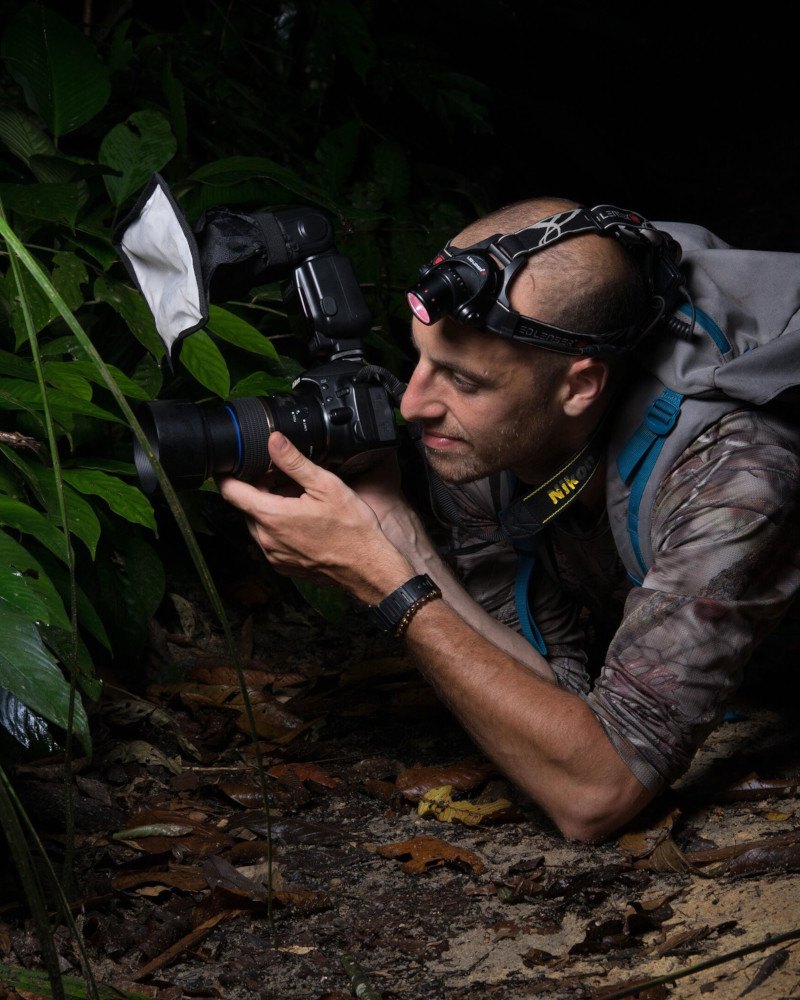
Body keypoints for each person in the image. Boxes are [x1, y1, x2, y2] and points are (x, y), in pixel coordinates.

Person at [217, 197, 800, 843]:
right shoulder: (492, 445)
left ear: (580, 386)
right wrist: (397, 535)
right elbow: (552, 695)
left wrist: (385, 588)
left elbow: (597, 792)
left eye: (462, 381)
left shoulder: (734, 476)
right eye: (420, 360)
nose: (413, 407)